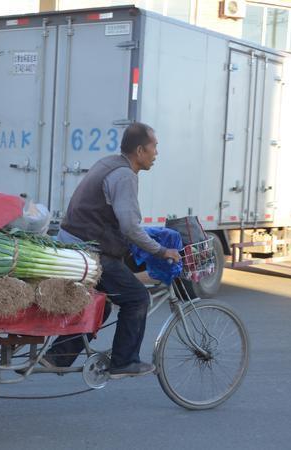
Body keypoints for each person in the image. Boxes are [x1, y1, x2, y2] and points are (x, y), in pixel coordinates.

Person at [47, 122, 181, 379]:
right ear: (140, 150)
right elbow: (130, 227)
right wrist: (162, 251)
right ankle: (124, 361)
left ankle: (59, 356)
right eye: (154, 147)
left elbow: (120, 222)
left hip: (75, 243)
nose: (156, 153)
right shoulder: (124, 176)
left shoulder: (109, 163)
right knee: (138, 298)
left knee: (103, 304)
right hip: (89, 251)